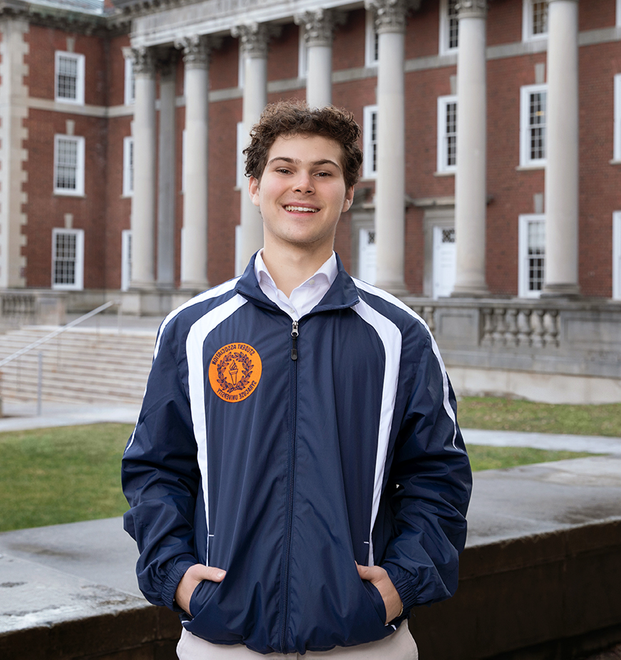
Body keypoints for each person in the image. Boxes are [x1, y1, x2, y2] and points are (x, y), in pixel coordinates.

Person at [122, 101, 472, 658]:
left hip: (363, 640)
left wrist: (399, 586)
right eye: (284, 169)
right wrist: (177, 577)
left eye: (323, 172)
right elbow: (155, 468)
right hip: (222, 639)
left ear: (348, 194)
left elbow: (439, 476)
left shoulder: (399, 334)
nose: (302, 185)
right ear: (256, 187)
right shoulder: (192, 329)